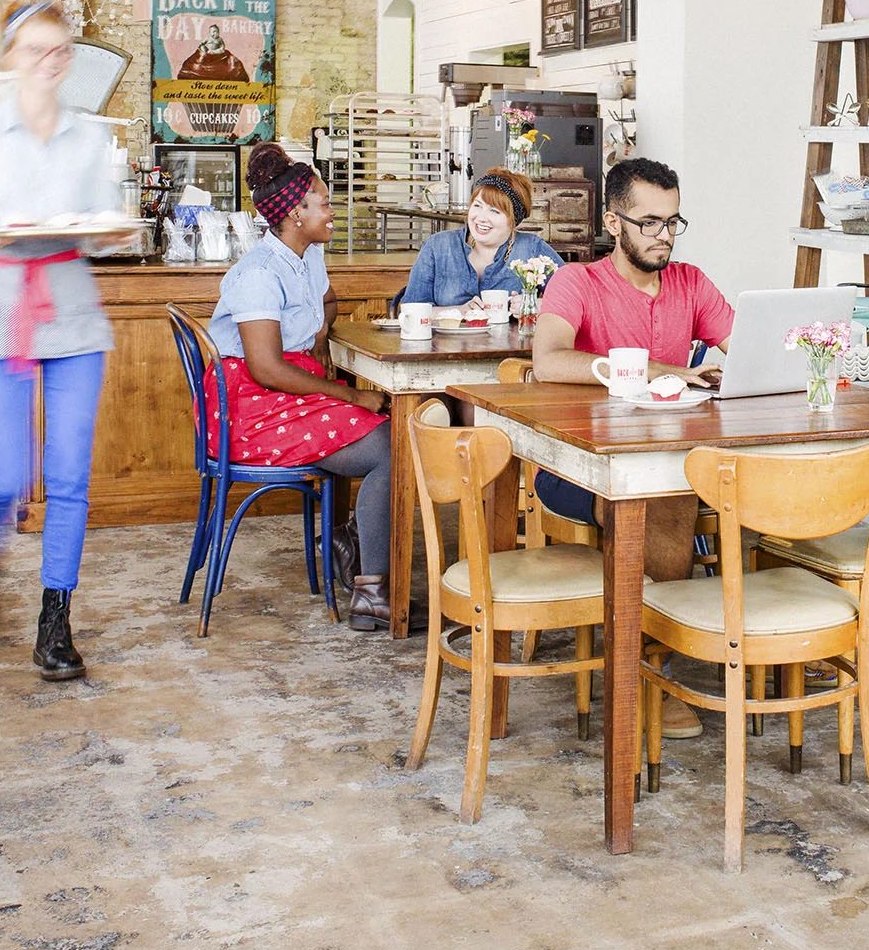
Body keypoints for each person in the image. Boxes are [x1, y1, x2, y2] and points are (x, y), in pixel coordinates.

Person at [0, 0, 118, 681]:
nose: (47, 62)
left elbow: (102, 221)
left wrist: (103, 228)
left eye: (58, 50)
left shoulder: (90, 137)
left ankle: (55, 622)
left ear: (69, 59)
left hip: (70, 307)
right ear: (10, 56)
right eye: (34, 49)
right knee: (8, 471)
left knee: (68, 476)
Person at [530, 156, 735, 739]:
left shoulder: (691, 282)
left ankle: (779, 635)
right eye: (649, 223)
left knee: (760, 480)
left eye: (672, 222)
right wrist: (664, 370)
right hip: (576, 465)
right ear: (613, 222)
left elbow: (745, 343)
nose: (664, 235)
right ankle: (651, 669)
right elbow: (548, 361)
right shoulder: (577, 282)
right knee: (666, 500)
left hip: (670, 455)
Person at [206, 142, 394, 629]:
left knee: (393, 434)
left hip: (287, 393)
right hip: (251, 409)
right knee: (389, 450)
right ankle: (368, 586)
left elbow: (326, 301)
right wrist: (349, 393)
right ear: (295, 213)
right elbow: (266, 368)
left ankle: (346, 541)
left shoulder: (304, 255)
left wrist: (321, 342)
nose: (333, 212)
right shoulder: (260, 273)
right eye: (325, 204)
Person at [400, 168, 561, 309]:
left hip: (512, 344)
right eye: (477, 206)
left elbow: (575, 297)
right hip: (444, 344)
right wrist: (456, 312)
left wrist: (535, 304)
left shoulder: (532, 249)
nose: (481, 218)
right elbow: (411, 308)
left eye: (495, 211)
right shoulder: (438, 246)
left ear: (513, 220)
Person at [178, 23, 249, 81]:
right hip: (207, 53)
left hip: (217, 54)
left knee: (230, 61)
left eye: (215, 32)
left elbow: (222, 47)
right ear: (209, 33)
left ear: (218, 32)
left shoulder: (219, 40)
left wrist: (218, 50)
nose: (214, 34)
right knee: (201, 54)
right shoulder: (208, 38)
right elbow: (202, 43)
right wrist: (202, 46)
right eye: (212, 32)